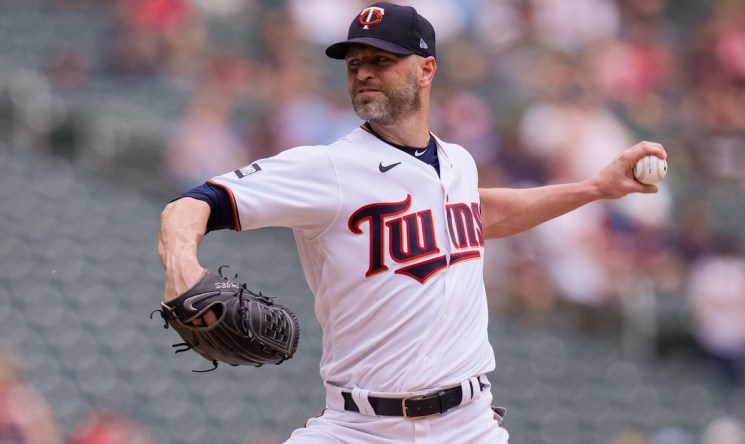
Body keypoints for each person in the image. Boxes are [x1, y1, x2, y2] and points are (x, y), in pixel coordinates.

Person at [157, 3, 667, 443]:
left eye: (382, 60)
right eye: (355, 64)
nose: (363, 73)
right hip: (360, 426)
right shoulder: (329, 168)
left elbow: (481, 213)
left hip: (470, 423)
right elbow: (190, 206)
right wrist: (182, 268)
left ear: (426, 69)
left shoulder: (459, 163)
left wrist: (595, 188)